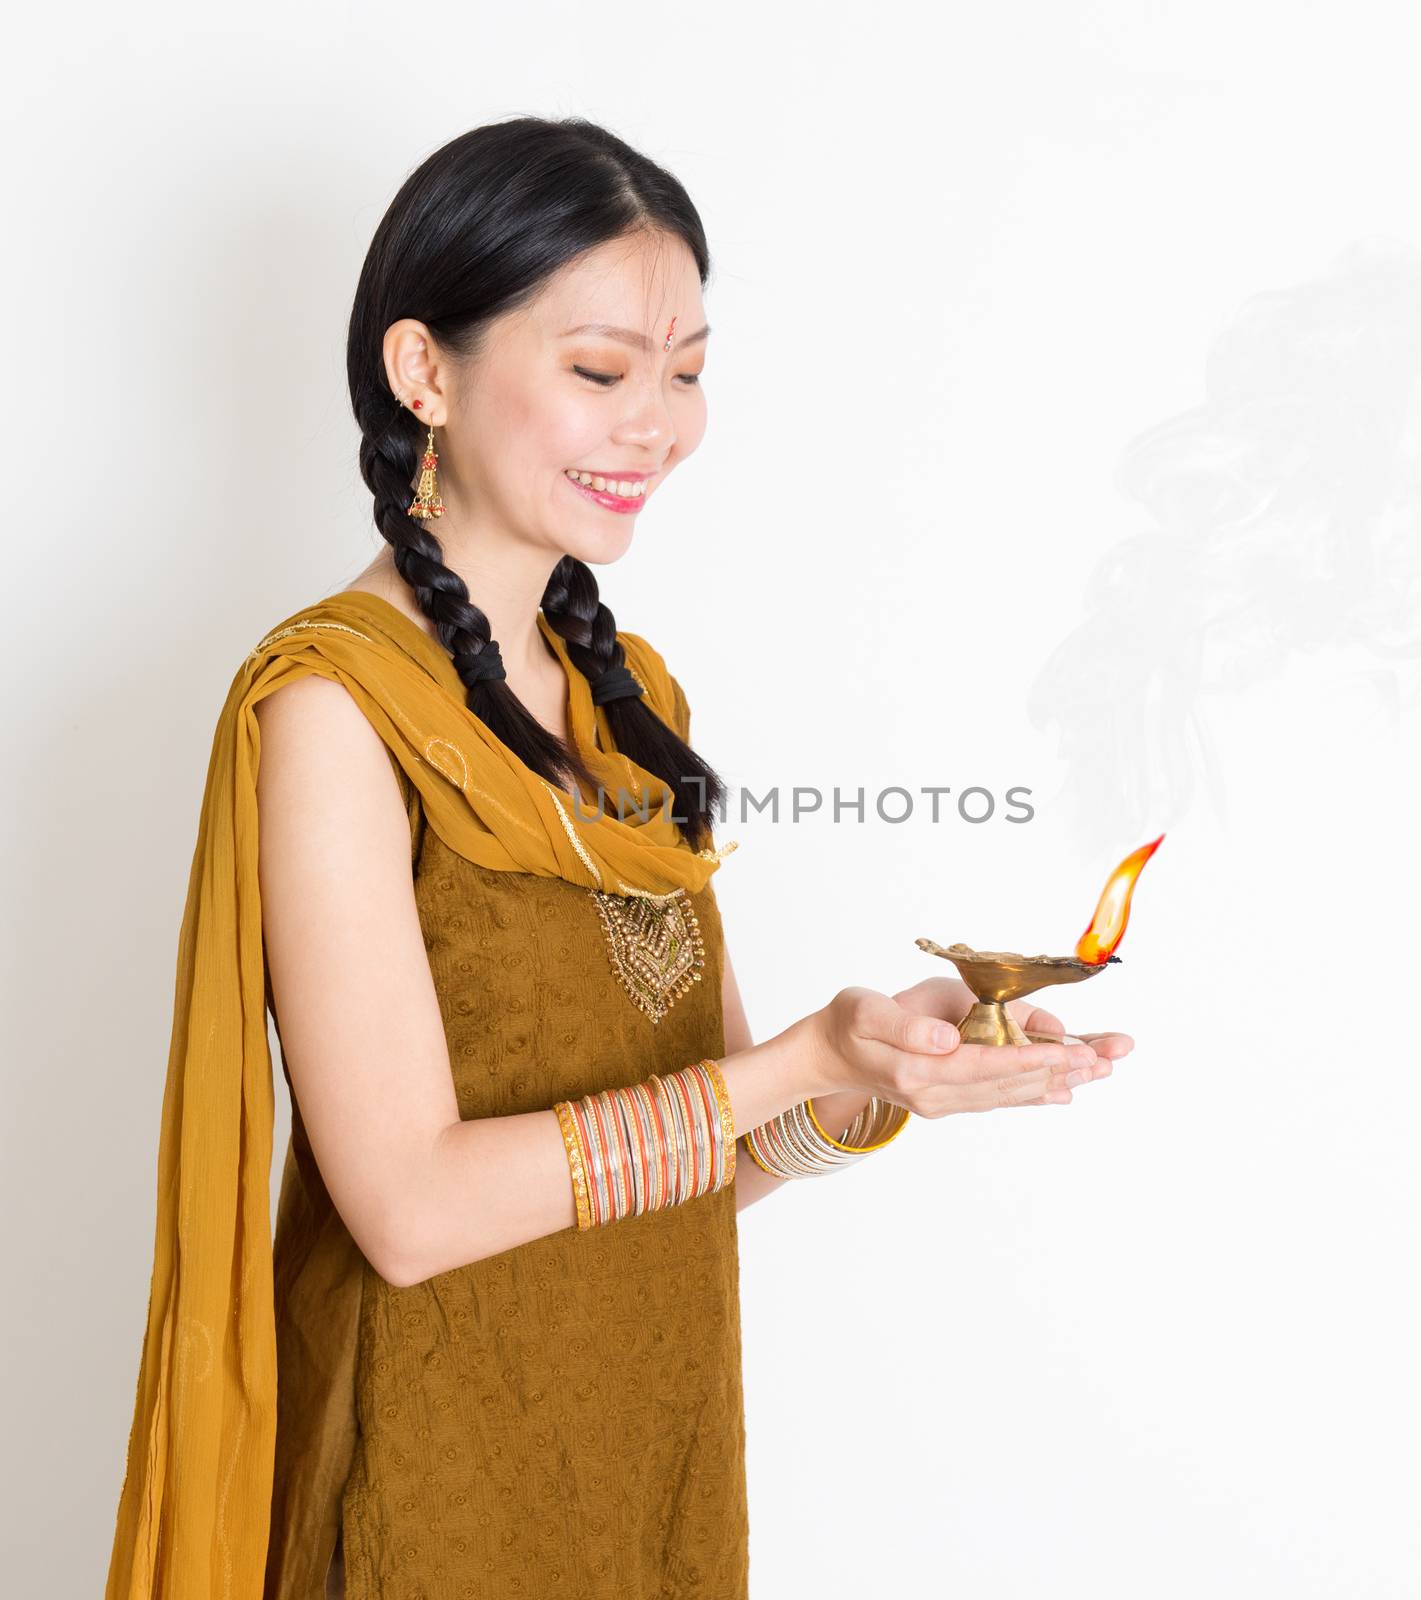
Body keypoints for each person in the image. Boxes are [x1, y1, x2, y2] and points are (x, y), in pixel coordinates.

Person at [103, 114, 1133, 1600]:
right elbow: (409, 1213)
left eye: (690, 370)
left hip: (647, 1468)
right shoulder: (337, 709)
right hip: (430, 1487)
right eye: (601, 370)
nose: (657, 422)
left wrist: (865, 1074)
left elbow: (701, 1163)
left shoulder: (629, 701)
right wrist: (797, 1059)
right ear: (424, 370)